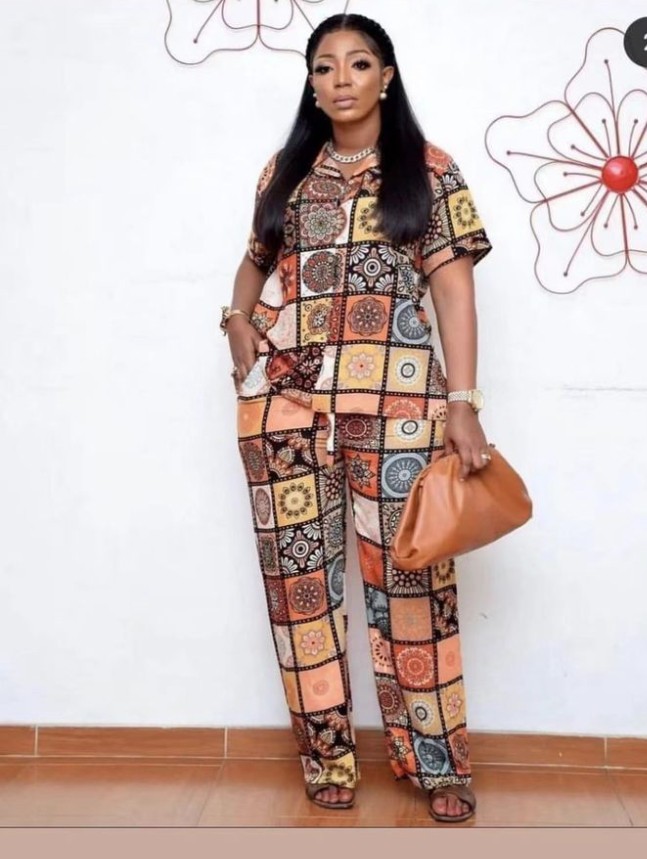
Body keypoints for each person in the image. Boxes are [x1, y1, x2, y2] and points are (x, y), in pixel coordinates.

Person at [221, 12, 493, 823]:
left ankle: (436, 764)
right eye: (324, 66)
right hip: (285, 410)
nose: (340, 79)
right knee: (299, 592)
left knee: (413, 587)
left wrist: (462, 404)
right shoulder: (284, 172)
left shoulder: (428, 171)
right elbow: (254, 261)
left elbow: (453, 291)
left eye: (358, 63)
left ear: (386, 76)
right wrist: (235, 320)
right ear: (312, 85)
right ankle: (327, 758)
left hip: (400, 412)